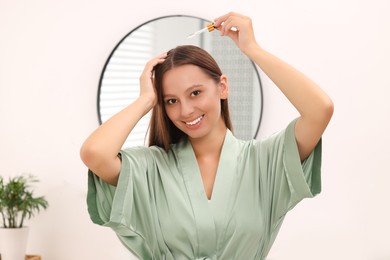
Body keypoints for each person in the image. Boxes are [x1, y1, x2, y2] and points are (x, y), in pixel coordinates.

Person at [81, 12, 333, 260]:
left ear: (222, 87)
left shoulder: (265, 162)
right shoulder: (150, 169)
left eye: (195, 93)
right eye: (171, 100)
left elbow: (319, 109)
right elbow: (95, 153)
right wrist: (146, 99)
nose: (185, 110)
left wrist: (252, 49)